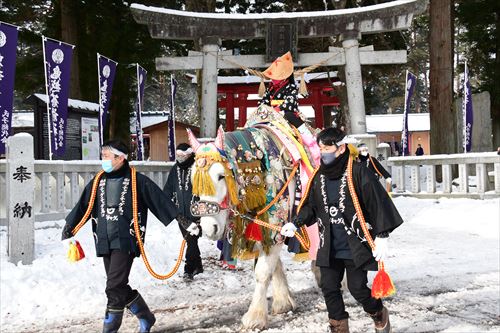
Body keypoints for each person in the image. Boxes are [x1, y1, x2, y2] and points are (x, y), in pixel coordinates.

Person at [280, 128, 403, 333]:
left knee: (358, 289)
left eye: (327, 148)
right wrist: (296, 223)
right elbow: (311, 205)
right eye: (320, 148)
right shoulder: (319, 176)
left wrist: (382, 235)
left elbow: (377, 203)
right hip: (329, 243)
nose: (323, 152)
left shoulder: (358, 171)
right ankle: (339, 328)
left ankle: (378, 312)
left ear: (341, 148)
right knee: (329, 288)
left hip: (355, 243)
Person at [61, 140, 192, 333]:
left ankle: (110, 329)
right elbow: (83, 206)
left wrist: (184, 221)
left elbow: (160, 200)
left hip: (127, 239)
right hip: (104, 239)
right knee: (118, 285)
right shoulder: (98, 181)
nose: (103, 159)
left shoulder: (137, 180)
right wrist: (69, 227)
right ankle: (146, 317)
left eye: (106, 156)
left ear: (120, 158)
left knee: (113, 286)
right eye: (103, 155)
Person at [163, 143, 203, 281]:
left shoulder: (198, 168)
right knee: (190, 241)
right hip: (180, 214)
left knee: (191, 240)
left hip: (197, 214)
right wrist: (165, 204)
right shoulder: (175, 169)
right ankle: (198, 265)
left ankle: (189, 270)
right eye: (178, 155)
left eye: (183, 156)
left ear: (190, 155)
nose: (180, 158)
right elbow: (168, 189)